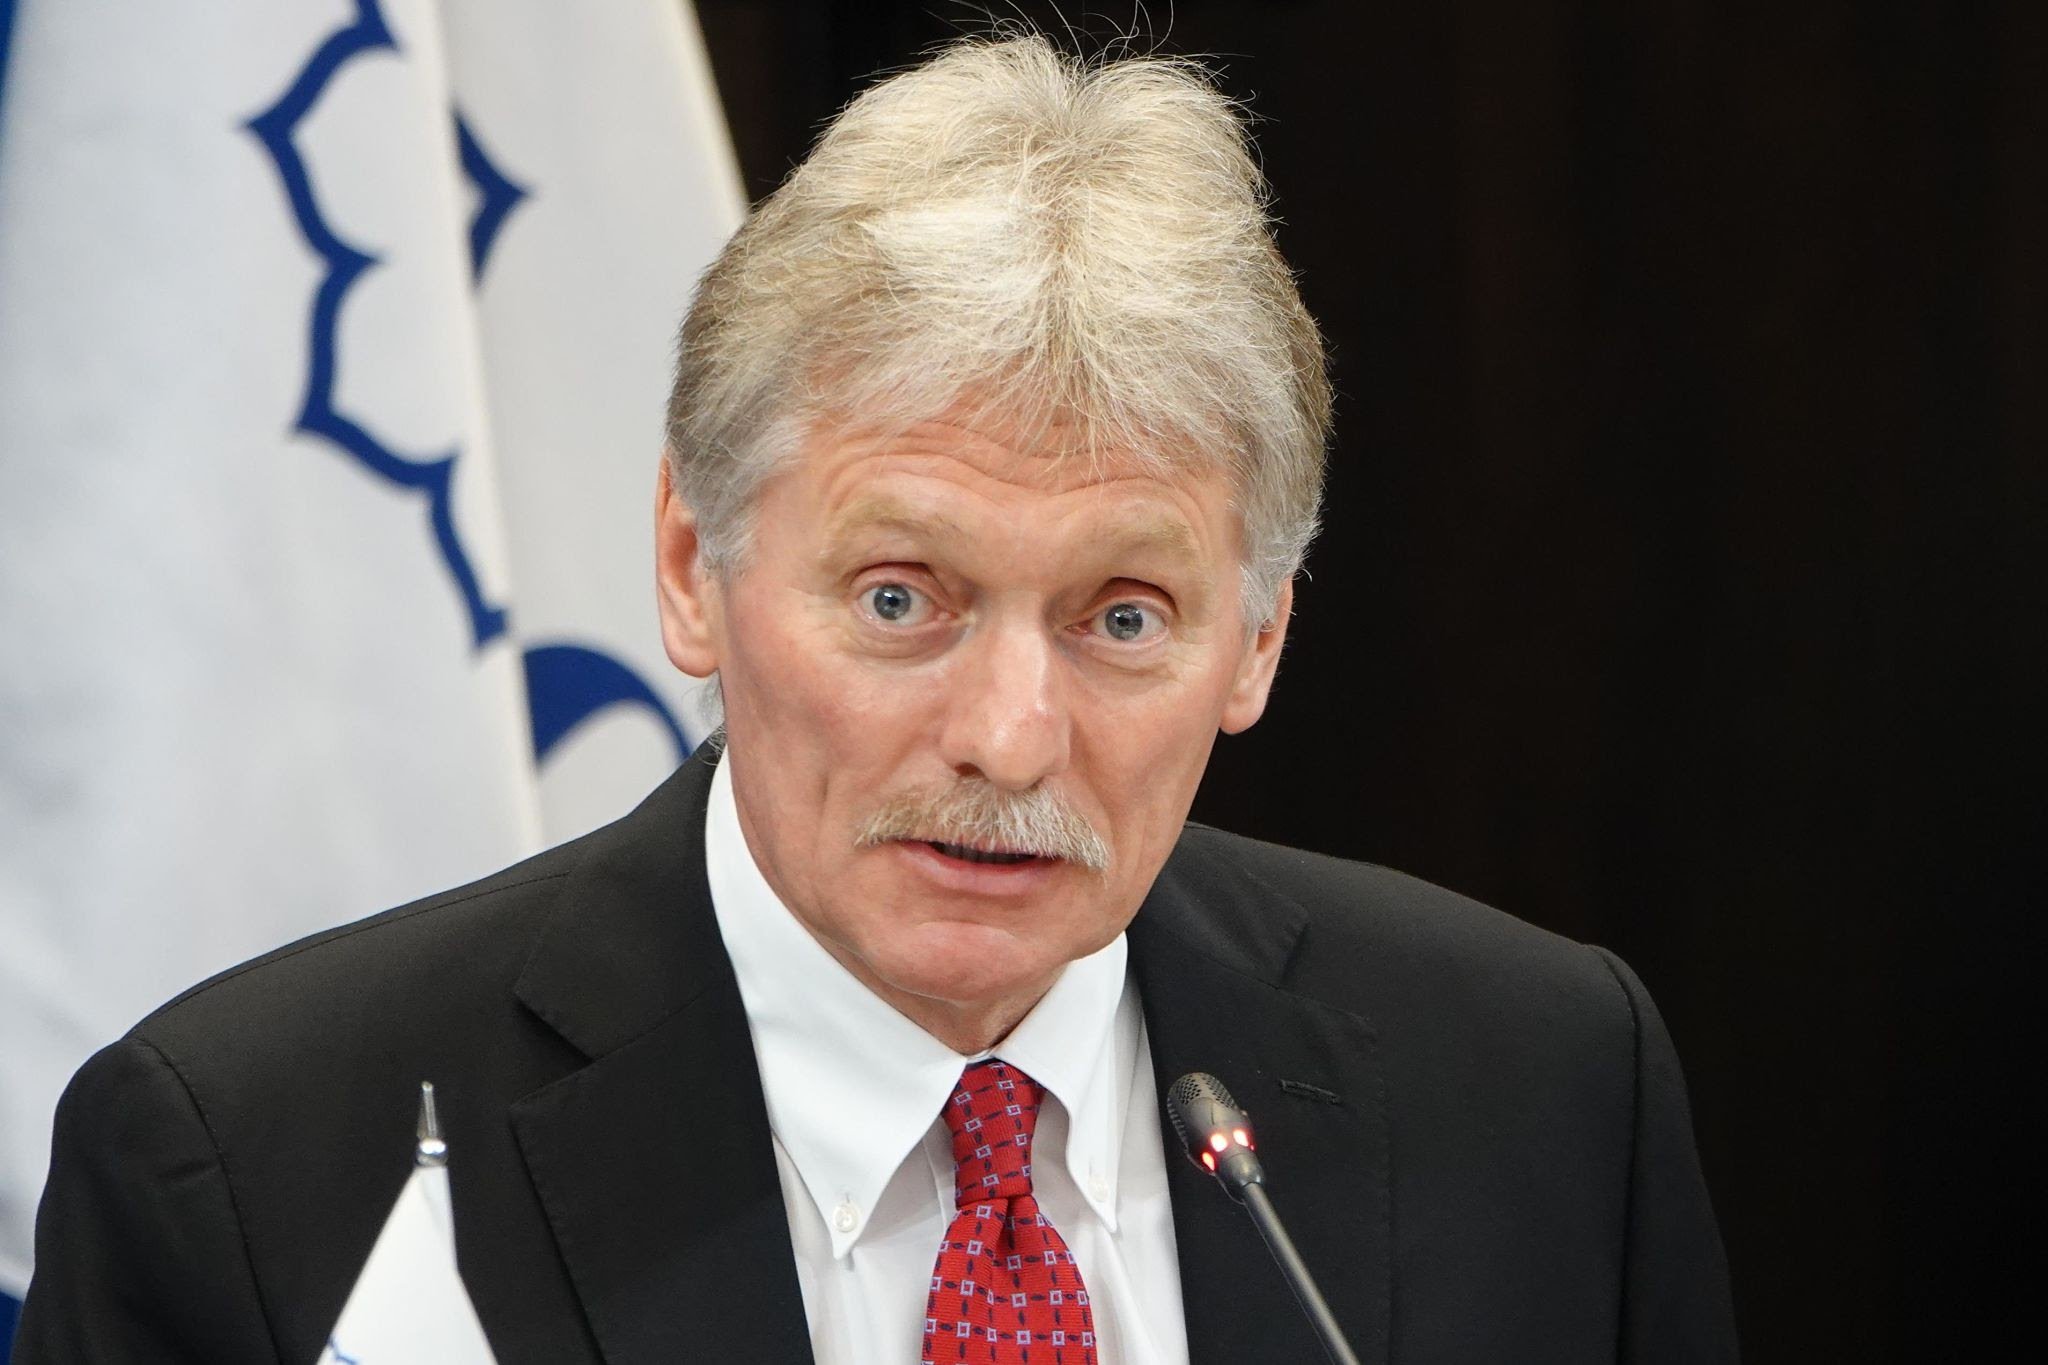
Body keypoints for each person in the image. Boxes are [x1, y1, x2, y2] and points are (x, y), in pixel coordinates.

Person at [14, 36, 1736, 1365]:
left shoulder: (1539, 1095)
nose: (1008, 735)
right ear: (692, 567)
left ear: (1261, 638)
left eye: (1122, 617)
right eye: (903, 597)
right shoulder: (250, 1174)